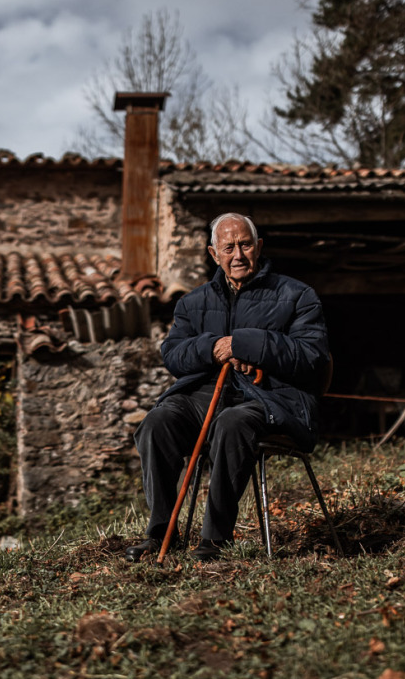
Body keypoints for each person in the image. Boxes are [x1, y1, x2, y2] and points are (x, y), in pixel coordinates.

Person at [125, 213, 329, 562]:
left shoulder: (297, 295)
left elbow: (312, 357)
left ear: (259, 247)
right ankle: (161, 534)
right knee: (156, 423)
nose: (238, 255)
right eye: (228, 247)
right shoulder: (192, 303)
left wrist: (248, 344)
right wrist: (214, 347)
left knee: (232, 423)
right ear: (213, 254)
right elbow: (173, 355)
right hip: (205, 395)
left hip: (271, 398)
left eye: (246, 245)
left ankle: (214, 540)